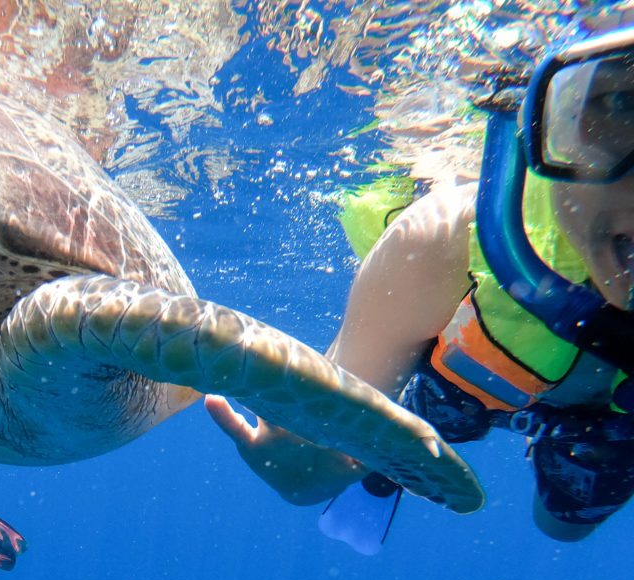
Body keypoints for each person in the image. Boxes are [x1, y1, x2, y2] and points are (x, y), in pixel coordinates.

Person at [206, 24, 634, 548]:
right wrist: (300, 467)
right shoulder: (444, 242)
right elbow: (321, 461)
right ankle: (408, 434)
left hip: (603, 420)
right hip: (465, 379)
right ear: (544, 122)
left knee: (565, 527)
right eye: (623, 104)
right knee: (445, 419)